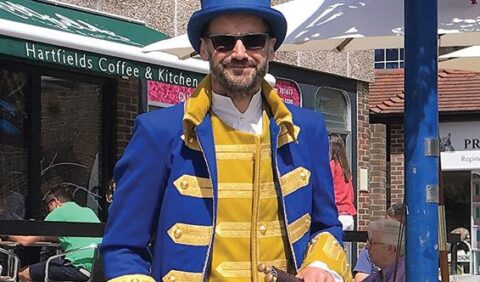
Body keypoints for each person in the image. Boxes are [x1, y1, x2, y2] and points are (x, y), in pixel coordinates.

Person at [100, 0, 352, 281]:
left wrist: (321, 264)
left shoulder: (307, 129)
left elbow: (326, 225)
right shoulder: (159, 132)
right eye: (224, 42)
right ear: (204, 48)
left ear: (270, 48)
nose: (240, 53)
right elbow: (122, 247)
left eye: (253, 41)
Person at [9, 185, 102, 282]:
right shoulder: (88, 211)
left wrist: (6, 235)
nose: (48, 211)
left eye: (48, 206)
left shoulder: (58, 212)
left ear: (54, 202)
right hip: (98, 269)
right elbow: (68, 237)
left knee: (24, 273)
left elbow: (27, 240)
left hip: (77, 268)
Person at [353, 203, 403, 282]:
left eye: (372, 242)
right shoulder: (381, 275)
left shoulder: (405, 275)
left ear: (390, 248)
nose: (367, 247)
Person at [329, 134, 356, 231]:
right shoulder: (346, 168)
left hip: (338, 214)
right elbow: (351, 195)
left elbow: (327, 189)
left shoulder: (332, 165)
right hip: (349, 216)